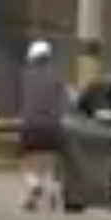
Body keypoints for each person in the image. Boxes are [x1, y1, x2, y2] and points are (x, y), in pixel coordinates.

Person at [17, 39, 68, 211]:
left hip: (30, 125)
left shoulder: (26, 75)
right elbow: (65, 101)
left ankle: (33, 187)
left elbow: (23, 100)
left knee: (28, 162)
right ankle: (52, 189)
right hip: (53, 127)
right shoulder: (59, 75)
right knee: (51, 163)